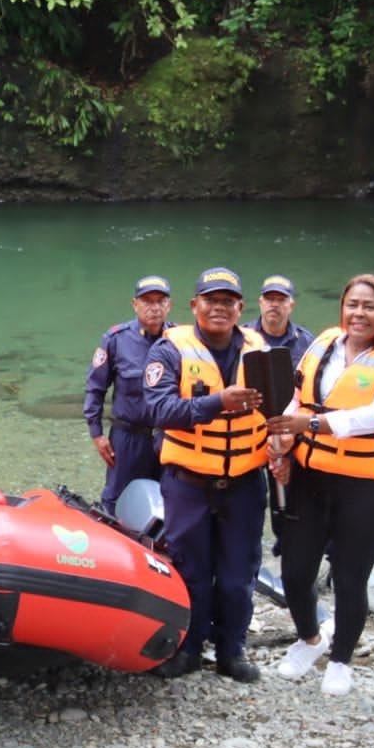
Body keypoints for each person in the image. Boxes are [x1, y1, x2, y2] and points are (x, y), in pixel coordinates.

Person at [267, 275, 374, 695]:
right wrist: (282, 437)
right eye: (353, 305)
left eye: (370, 306)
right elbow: (296, 397)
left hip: (367, 484)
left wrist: (310, 424)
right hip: (311, 475)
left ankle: (340, 660)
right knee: (296, 570)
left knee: (350, 576)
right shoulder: (323, 344)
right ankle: (309, 639)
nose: (359, 314)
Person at [143, 267, 267, 682]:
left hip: (244, 483)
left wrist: (285, 440)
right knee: (189, 571)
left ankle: (232, 651)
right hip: (188, 483)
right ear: (195, 305)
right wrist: (217, 404)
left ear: (240, 308)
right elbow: (159, 410)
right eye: (211, 300)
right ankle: (188, 649)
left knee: (237, 575)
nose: (219, 307)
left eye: (228, 301)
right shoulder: (168, 351)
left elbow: (282, 404)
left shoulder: (259, 349)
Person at [85, 274, 171, 513]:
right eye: (147, 301)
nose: (154, 307)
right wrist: (96, 433)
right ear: (135, 304)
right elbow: (95, 387)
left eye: (160, 301)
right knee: (117, 499)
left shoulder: (180, 340)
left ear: (169, 305)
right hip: (128, 438)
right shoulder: (116, 339)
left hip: (169, 437)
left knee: (170, 499)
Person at [250, 274, 316, 367]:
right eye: (269, 299)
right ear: (260, 303)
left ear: (291, 306)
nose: (275, 304)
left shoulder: (306, 341)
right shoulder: (243, 337)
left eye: (281, 300)